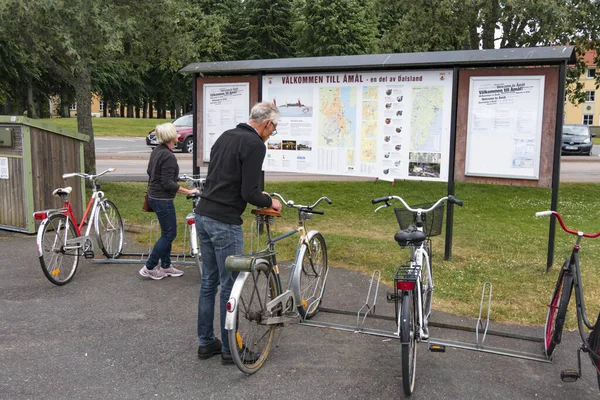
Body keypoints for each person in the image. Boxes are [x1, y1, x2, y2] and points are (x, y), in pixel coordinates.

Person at [195, 101, 282, 364]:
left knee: (209, 282)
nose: (272, 133)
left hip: (203, 213)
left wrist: (258, 194)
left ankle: (206, 342)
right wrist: (270, 202)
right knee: (230, 286)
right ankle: (230, 349)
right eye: (273, 128)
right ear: (266, 124)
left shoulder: (226, 136)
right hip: (225, 220)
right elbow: (249, 193)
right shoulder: (255, 144)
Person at [139, 123, 199, 280]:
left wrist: (174, 177)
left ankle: (166, 265)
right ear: (173, 137)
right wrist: (189, 191)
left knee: (167, 232)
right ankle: (149, 267)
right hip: (162, 199)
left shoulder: (157, 151)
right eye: (176, 133)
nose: (178, 135)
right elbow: (168, 184)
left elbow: (153, 172)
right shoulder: (168, 156)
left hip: (154, 196)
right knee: (169, 234)